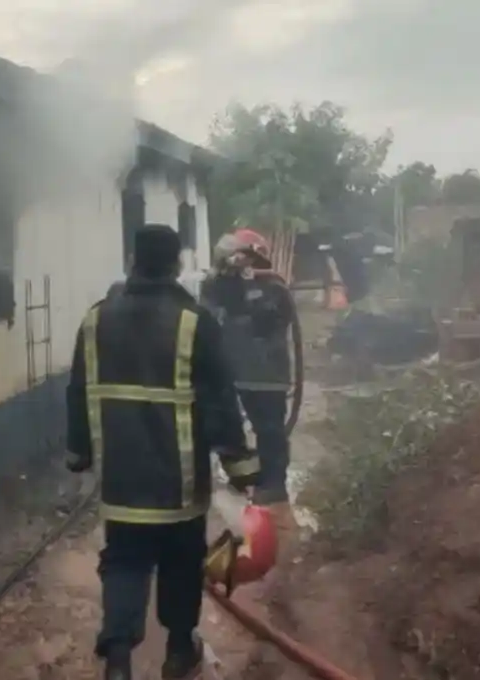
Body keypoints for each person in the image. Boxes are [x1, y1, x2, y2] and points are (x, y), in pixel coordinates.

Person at [66, 224, 257, 680]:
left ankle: (117, 659)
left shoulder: (95, 319)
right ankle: (177, 652)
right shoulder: (195, 322)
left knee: (124, 560)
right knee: (181, 561)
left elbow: (78, 391)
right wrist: (241, 466)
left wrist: (80, 454)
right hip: (179, 481)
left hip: (121, 478)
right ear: (175, 265)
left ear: (133, 260)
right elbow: (219, 403)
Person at [200, 229, 298, 548]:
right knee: (223, 428)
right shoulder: (215, 286)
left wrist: (246, 297)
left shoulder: (274, 287)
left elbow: (267, 321)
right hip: (229, 371)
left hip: (266, 374)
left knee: (270, 430)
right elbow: (210, 316)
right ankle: (237, 479)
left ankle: (273, 488)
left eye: (246, 258)